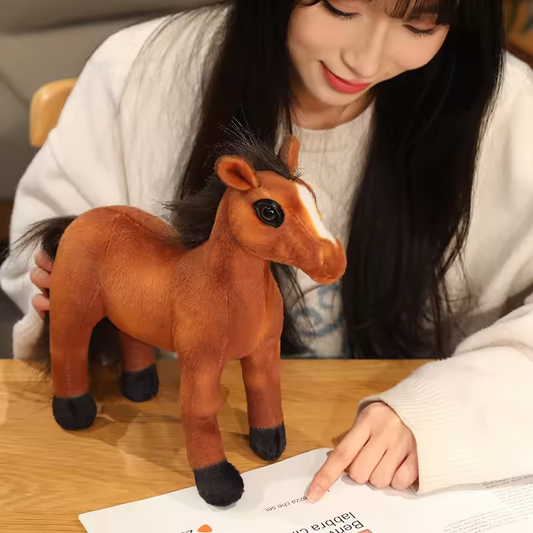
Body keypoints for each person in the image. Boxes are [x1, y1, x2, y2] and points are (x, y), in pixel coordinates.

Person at [2, 0, 533, 502]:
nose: (365, 61)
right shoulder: (137, 72)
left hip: (394, 460)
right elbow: (37, 261)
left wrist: (451, 409)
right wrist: (58, 296)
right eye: (340, 8)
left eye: (420, 24)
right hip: (143, 451)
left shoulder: (509, 112)